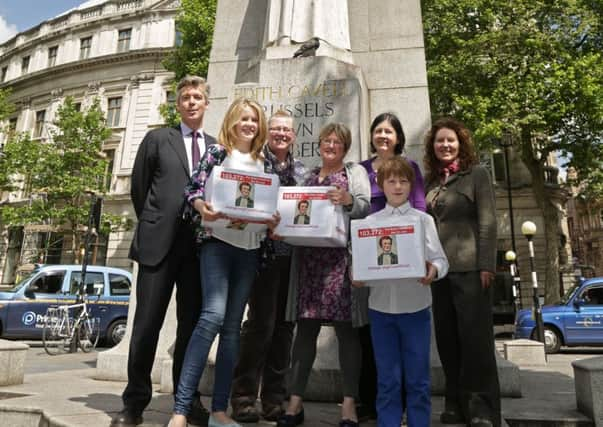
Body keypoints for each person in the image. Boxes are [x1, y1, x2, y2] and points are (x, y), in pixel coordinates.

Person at [166, 98, 279, 427]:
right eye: (244, 118)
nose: (249, 125)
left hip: (249, 249)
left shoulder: (264, 162)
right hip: (217, 244)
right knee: (211, 318)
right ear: (232, 121)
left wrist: (272, 220)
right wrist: (202, 208)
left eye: (255, 120)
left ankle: (218, 411)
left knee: (232, 329)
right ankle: (181, 409)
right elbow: (192, 191)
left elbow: (270, 205)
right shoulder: (217, 153)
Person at [111, 76, 215, 427]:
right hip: (158, 247)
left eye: (197, 97)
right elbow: (141, 189)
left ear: (206, 103)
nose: (191, 102)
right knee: (146, 326)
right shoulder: (158, 139)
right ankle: (134, 403)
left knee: (191, 328)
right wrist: (157, 222)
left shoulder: (217, 148)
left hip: (198, 250)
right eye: (185, 97)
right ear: (178, 104)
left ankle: (186, 401)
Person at [278, 123, 370, 427]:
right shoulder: (307, 175)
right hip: (308, 262)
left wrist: (348, 201)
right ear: (319, 144)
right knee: (305, 331)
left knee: (347, 332)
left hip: (341, 263)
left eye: (337, 142)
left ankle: (348, 405)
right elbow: (294, 210)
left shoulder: (354, 173)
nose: (331, 145)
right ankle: (294, 404)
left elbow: (364, 208)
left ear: (345, 147)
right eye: (326, 140)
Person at [352, 157, 449, 427]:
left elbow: (442, 260)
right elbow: (363, 267)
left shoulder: (424, 220)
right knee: (387, 380)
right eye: (391, 180)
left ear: (411, 185)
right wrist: (357, 277)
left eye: (403, 181)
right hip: (381, 311)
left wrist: (433, 271)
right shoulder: (369, 223)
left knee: (418, 379)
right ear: (381, 185)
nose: (397, 186)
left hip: (416, 309)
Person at [231, 110, 307, 423]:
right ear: (268, 131)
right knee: (260, 325)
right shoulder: (256, 163)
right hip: (261, 254)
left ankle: (274, 398)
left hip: (292, 257)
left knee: (284, 329)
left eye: (286, 130)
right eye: (275, 128)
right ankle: (244, 397)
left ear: (294, 134)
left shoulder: (302, 171)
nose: (280, 134)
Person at [423, 117, 500, 427]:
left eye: (450, 140)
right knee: (448, 341)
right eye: (440, 141)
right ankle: (454, 402)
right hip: (439, 274)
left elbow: (488, 222)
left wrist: (486, 265)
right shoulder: (430, 182)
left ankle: (481, 408)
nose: (445, 145)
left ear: (460, 144)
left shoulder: (476, 175)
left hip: (470, 270)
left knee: (475, 341)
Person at [357, 112, 426, 421]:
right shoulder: (359, 169)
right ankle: (376, 406)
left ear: (398, 137)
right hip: (372, 264)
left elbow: (421, 207)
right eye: (378, 131)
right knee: (373, 342)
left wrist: (421, 252)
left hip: (407, 271)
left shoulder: (409, 168)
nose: (383, 136)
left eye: (389, 131)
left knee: (412, 364)